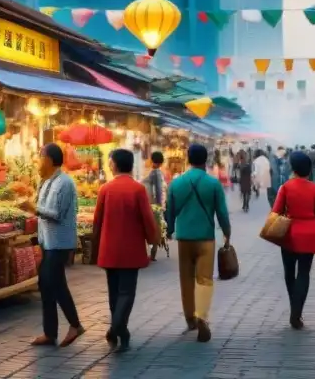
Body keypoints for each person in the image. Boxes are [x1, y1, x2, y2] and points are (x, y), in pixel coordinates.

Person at [92, 148, 159, 353]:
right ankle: (119, 328)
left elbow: (97, 222)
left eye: (110, 162)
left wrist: (95, 248)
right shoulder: (138, 190)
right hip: (131, 249)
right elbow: (148, 219)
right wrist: (153, 240)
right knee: (127, 292)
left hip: (109, 249)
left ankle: (119, 329)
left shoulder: (106, 189)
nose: (109, 165)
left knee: (114, 292)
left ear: (116, 164)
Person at [166, 144, 231, 342]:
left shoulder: (176, 184)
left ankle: (190, 319)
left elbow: (169, 211)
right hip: (206, 239)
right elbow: (222, 212)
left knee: (186, 279)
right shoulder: (213, 184)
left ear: (188, 158)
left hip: (184, 237)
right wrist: (227, 234)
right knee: (204, 279)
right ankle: (202, 316)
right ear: (206, 160)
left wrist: (169, 230)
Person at [24, 143, 83, 347]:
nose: (37, 161)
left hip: (59, 242)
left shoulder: (63, 183)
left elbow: (55, 214)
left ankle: (75, 325)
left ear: (48, 160)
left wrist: (32, 208)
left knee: (53, 283)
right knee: (48, 284)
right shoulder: (47, 181)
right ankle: (51, 333)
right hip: (48, 242)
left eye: (40, 157)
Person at [272, 151, 315, 329]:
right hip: (309, 234)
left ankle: (294, 308)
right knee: (304, 273)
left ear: (293, 169)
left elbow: (276, 210)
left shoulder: (286, 187)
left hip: (289, 234)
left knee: (289, 273)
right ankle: (297, 313)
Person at [144, 151, 166, 261]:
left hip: (147, 202)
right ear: (161, 163)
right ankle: (152, 255)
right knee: (154, 228)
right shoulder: (156, 172)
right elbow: (158, 190)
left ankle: (151, 254)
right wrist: (159, 206)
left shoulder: (148, 170)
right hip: (152, 204)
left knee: (149, 228)